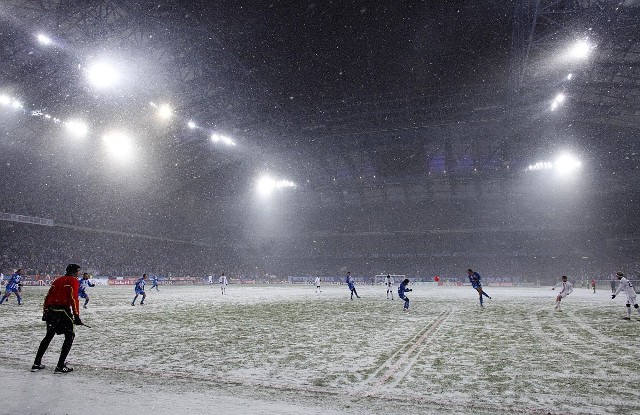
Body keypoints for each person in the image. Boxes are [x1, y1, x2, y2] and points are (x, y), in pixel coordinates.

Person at [32, 264, 83, 374]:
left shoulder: (57, 280)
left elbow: (48, 296)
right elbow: (74, 298)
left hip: (51, 311)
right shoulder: (73, 281)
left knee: (48, 336)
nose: (79, 273)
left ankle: (36, 363)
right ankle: (60, 366)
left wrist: (45, 312)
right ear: (74, 272)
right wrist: (77, 316)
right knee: (70, 336)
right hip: (62, 311)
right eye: (78, 271)